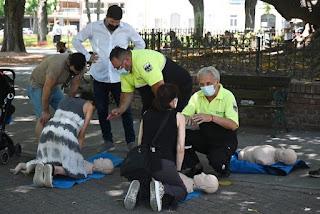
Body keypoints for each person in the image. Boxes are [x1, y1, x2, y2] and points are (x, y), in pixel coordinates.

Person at [72, 5, 145, 151]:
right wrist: (87, 56)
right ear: (106, 17)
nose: (114, 25)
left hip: (120, 78)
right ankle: (108, 140)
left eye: (117, 23)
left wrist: (128, 57)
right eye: (112, 21)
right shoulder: (93, 27)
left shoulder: (127, 28)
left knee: (125, 109)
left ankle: (130, 141)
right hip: (99, 76)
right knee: (102, 109)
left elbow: (141, 44)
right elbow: (76, 40)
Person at [123, 84, 187, 211]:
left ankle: (141, 189)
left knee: (149, 181)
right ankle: (162, 189)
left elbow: (140, 142)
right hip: (163, 163)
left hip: (145, 163)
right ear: (173, 101)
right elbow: (180, 147)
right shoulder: (178, 117)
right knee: (181, 191)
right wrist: (178, 171)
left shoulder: (146, 114)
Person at [181, 66, 239, 178]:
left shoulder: (227, 96)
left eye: (208, 83)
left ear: (217, 82)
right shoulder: (197, 96)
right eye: (201, 84)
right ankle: (194, 165)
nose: (205, 87)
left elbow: (233, 125)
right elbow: (184, 114)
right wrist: (186, 118)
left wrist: (211, 117)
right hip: (204, 136)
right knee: (180, 137)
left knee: (217, 165)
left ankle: (223, 163)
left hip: (224, 139)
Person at [26, 96, 95, 187]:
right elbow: (81, 135)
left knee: (52, 159)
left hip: (47, 131)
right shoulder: (89, 105)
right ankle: (54, 169)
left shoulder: (64, 99)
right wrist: (77, 157)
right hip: (66, 135)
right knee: (78, 170)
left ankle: (41, 166)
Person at [108, 47, 192, 118]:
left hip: (178, 84)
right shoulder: (124, 73)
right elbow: (127, 93)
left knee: (171, 117)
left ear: (127, 59)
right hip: (153, 88)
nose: (119, 70)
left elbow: (159, 88)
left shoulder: (143, 61)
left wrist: (164, 110)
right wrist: (120, 109)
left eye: (120, 67)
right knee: (147, 117)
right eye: (116, 68)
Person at [27, 53, 86, 139]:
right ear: (69, 62)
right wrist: (45, 111)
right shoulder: (57, 65)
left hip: (54, 87)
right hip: (38, 86)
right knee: (43, 118)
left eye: (76, 72)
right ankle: (42, 148)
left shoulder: (81, 66)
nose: (74, 73)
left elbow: (74, 86)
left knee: (67, 112)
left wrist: (69, 103)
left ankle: (65, 142)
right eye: (72, 71)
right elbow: (47, 88)